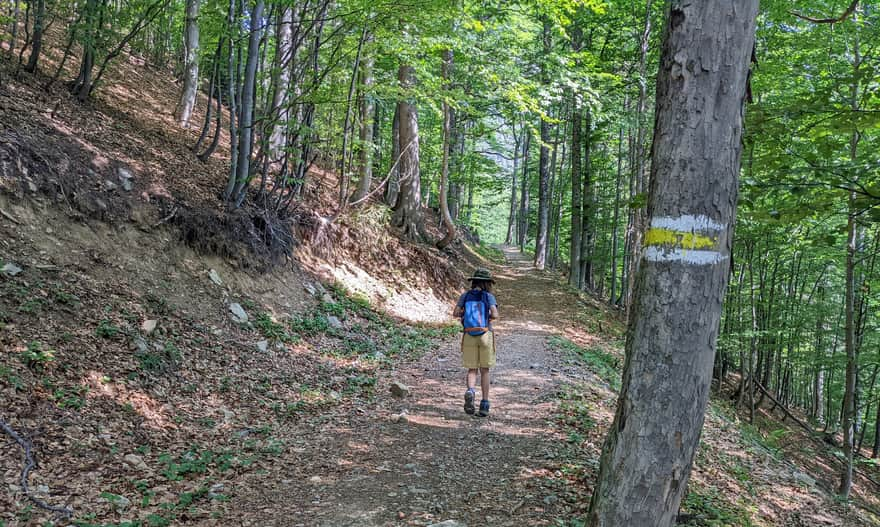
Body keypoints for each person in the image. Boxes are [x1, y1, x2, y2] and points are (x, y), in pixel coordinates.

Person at [453, 267, 499, 417]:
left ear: (473, 281)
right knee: (485, 370)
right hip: (485, 334)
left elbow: (455, 313)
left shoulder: (465, 296)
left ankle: (470, 391)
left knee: (472, 369)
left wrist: (464, 315)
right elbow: (495, 315)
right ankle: (484, 404)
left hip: (469, 335)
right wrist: (488, 319)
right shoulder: (488, 296)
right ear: (487, 283)